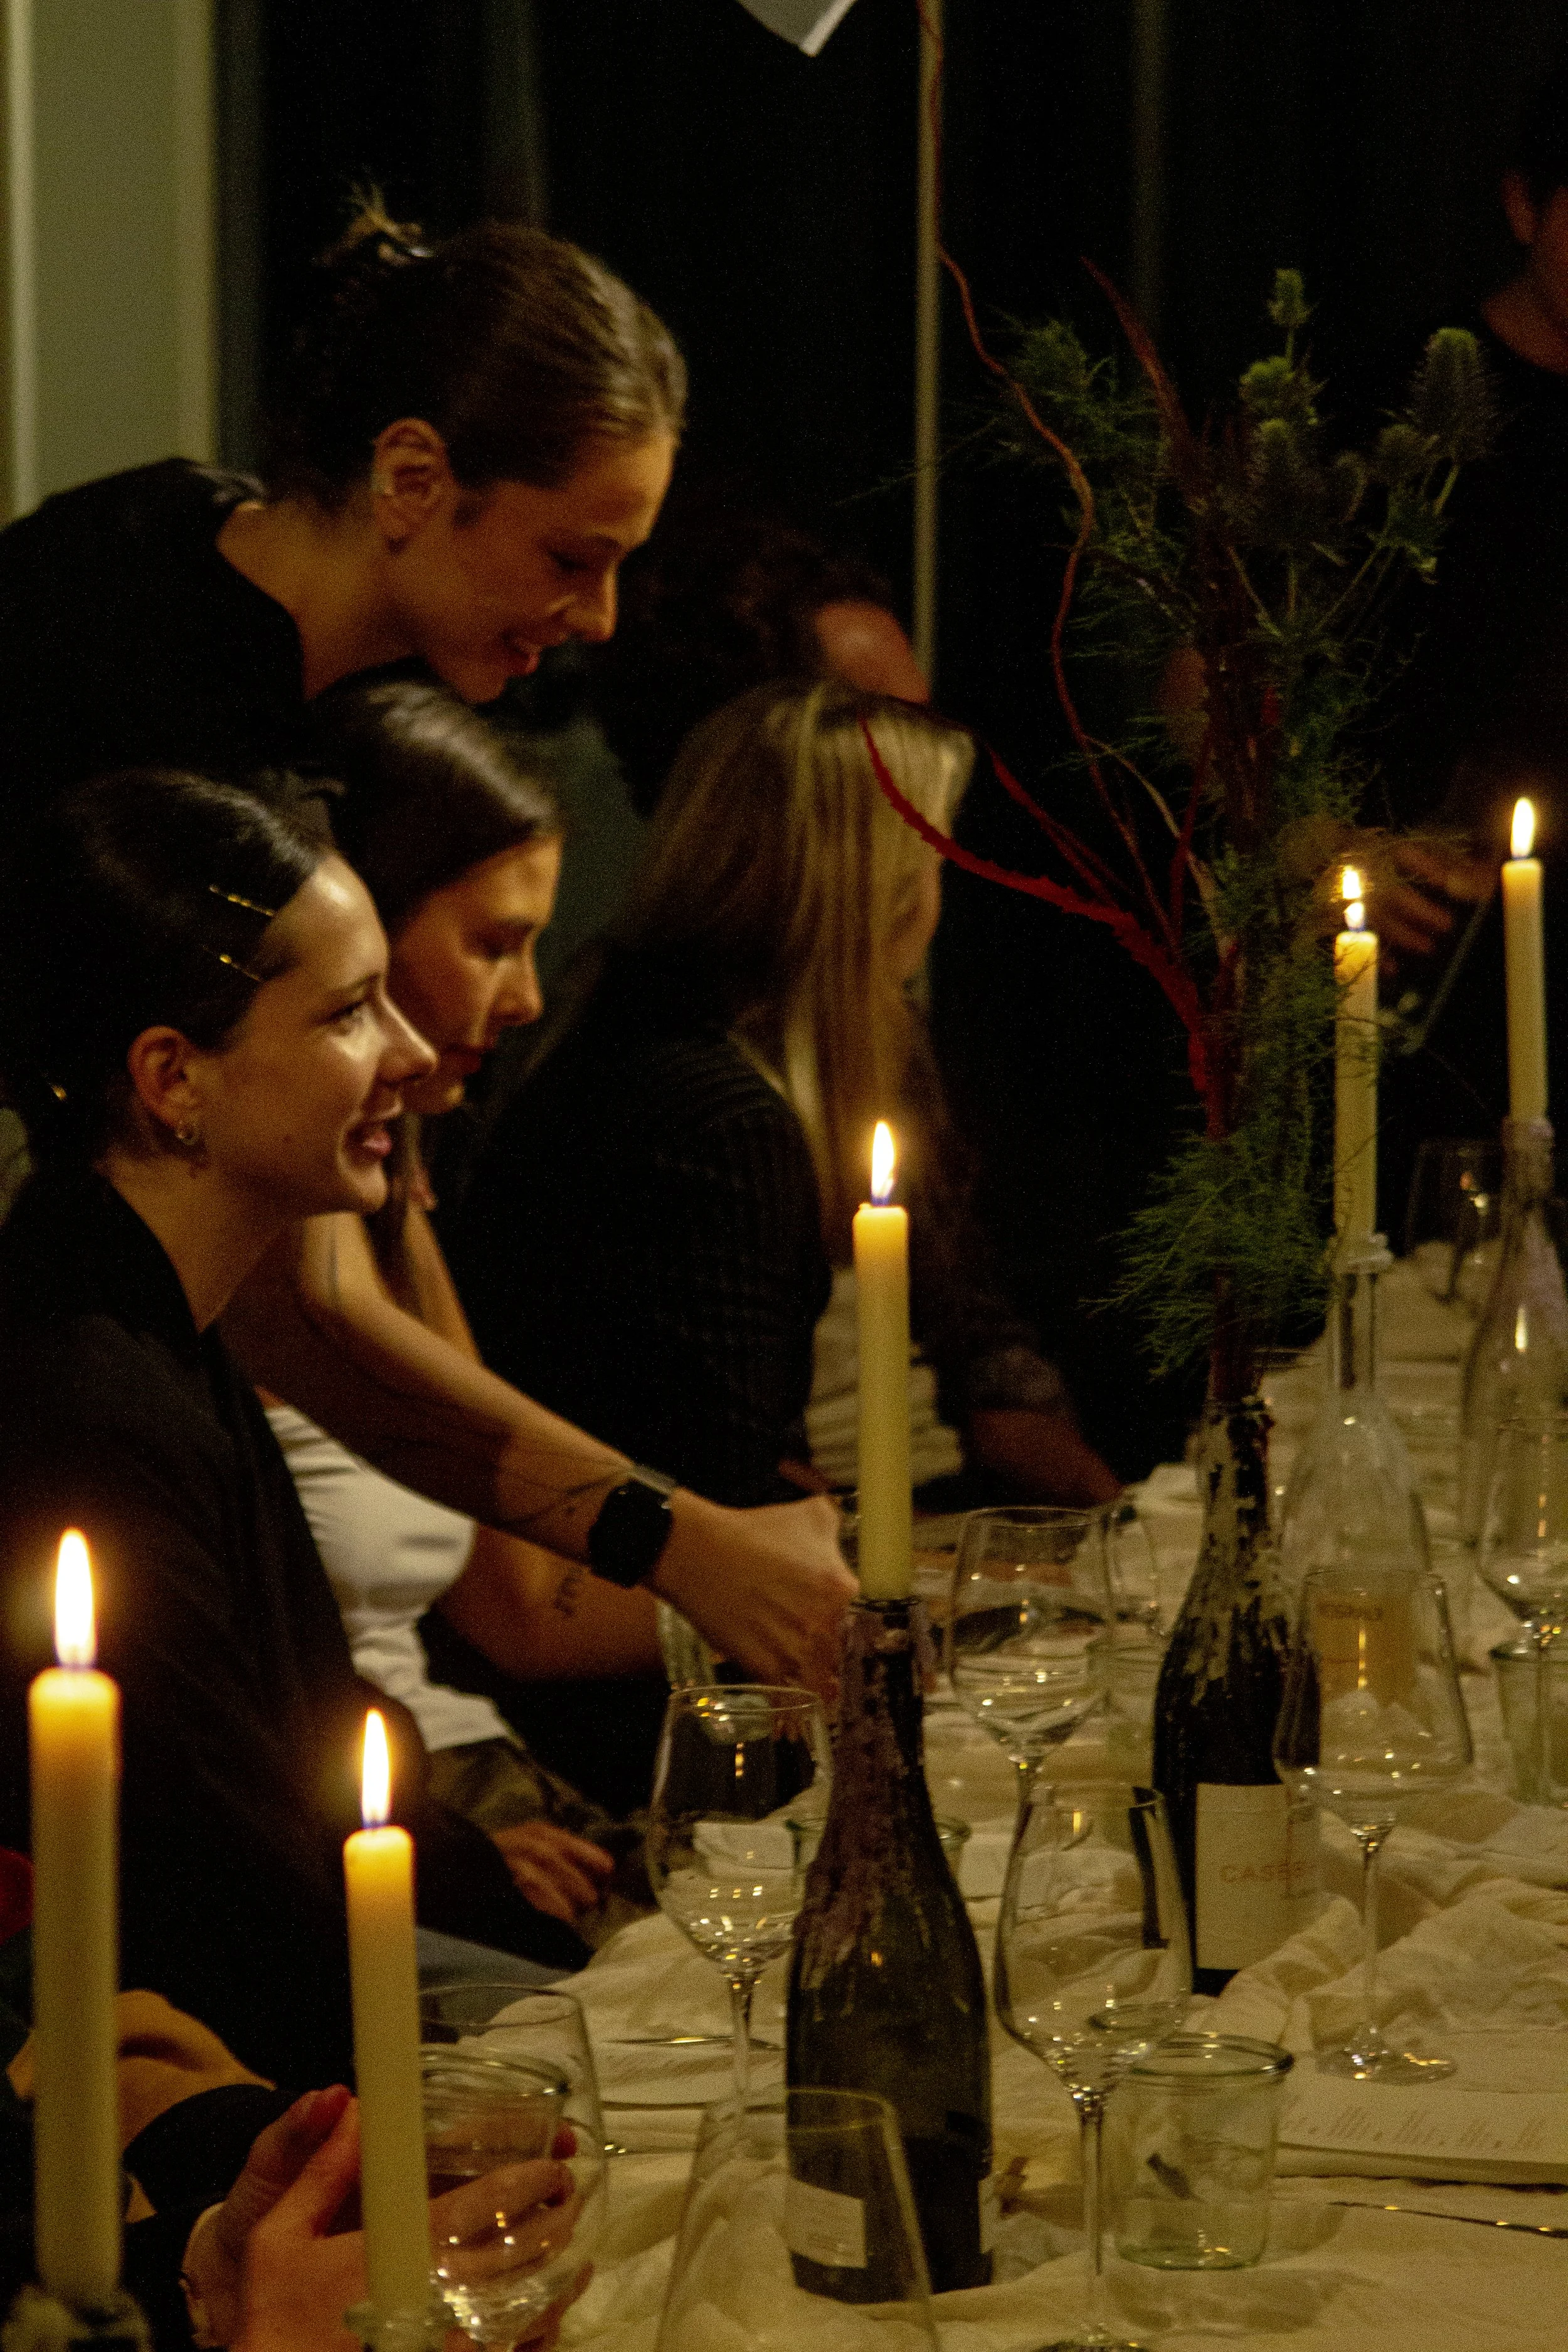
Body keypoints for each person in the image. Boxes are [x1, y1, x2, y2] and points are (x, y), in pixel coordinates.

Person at [0, 199, 854, 1690]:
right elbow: (302, 1314)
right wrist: (682, 1540)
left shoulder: (174, 545)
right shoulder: (185, 758)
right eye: (570, 557)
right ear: (411, 476)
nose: (591, 618)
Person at [0, 770, 592, 2087]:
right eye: (347, 1013)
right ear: (172, 1077)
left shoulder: (153, 1318)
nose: (414, 1055)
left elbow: (294, 1736)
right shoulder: (85, 1399)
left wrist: (481, 1877)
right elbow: (214, 1878)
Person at [440, 682, 1118, 1799]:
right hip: (668, 1722)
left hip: (656, 1632)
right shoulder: (720, 1117)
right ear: (883, 889)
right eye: (933, 859)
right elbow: (732, 1504)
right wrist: (975, 1572)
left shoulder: (633, 1027)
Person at [275, 681, 660, 1929]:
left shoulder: (396, 1195)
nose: (531, 999)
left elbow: (519, 1601)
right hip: (377, 1821)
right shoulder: (271, 1253)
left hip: (460, 1780)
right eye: (494, 944)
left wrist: (853, 1588)